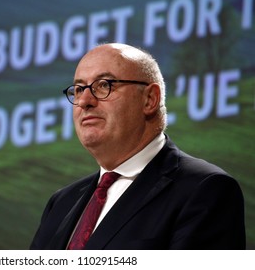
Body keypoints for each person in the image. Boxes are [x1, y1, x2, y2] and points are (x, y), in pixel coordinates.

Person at [30, 43, 246, 250]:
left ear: (150, 99)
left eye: (104, 85)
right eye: (78, 89)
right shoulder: (61, 203)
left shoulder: (205, 190)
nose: (85, 100)